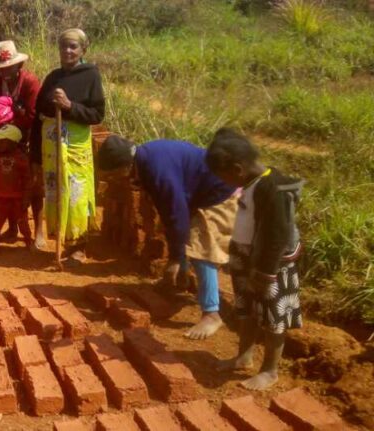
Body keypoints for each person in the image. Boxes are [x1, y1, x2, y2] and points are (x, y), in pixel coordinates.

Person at [97, 136, 238, 340]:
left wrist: (176, 258)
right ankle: (184, 280)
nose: (114, 179)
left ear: (125, 165)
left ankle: (212, 313)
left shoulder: (157, 170)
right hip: (201, 190)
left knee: (202, 249)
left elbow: (176, 213)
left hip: (220, 191)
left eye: (114, 174)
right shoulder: (145, 160)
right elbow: (168, 210)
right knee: (191, 241)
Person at [206, 128, 303, 391]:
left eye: (222, 176)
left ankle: (270, 370)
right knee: (245, 309)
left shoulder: (273, 189)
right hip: (246, 256)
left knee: (273, 317)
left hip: (272, 265)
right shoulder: (251, 182)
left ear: (237, 169)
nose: (223, 182)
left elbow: (278, 234)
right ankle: (243, 357)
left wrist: (265, 272)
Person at [30, 29, 105, 265]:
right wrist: (35, 153)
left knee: (76, 193)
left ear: (83, 49)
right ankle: (61, 242)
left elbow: (97, 114)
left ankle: (79, 247)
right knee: (55, 192)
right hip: (52, 147)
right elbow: (39, 111)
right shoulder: (53, 78)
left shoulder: (91, 75)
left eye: (73, 47)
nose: (68, 51)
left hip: (75, 146)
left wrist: (69, 106)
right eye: (64, 47)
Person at [0, 40, 43, 248]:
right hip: (3, 140)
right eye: (2, 68)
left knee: (31, 183)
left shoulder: (30, 82)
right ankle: (12, 228)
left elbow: (32, 115)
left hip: (27, 137)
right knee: (6, 180)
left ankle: (38, 231)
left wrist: (10, 122)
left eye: (9, 67)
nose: (5, 71)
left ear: (18, 65)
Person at [0, 124, 32, 256]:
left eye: (1, 141)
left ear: (12, 142)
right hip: (1, 198)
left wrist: (26, 198)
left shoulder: (22, 159)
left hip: (18, 198)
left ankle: (29, 242)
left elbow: (27, 180)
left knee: (23, 222)